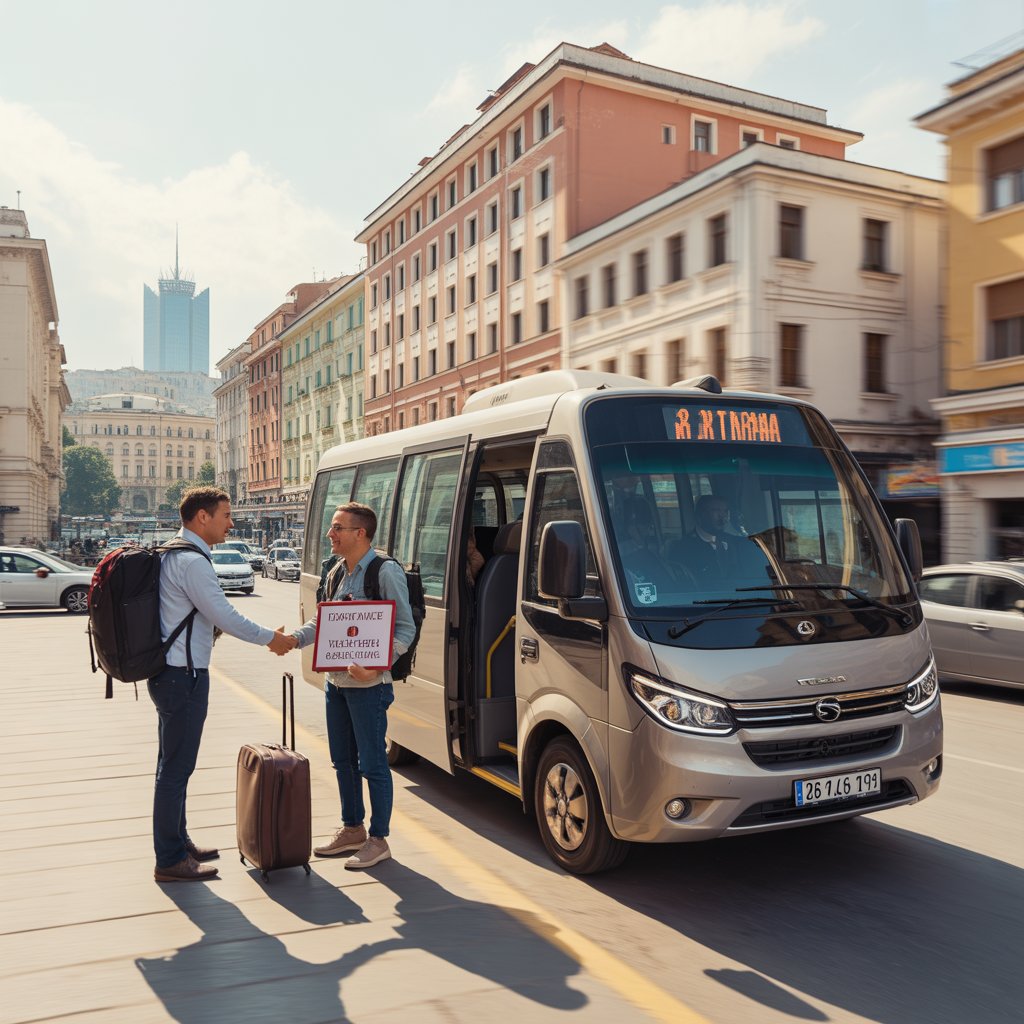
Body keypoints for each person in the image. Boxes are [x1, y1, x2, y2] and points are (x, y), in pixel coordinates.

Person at [149, 486, 296, 883]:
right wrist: (272, 638)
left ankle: (178, 843)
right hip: (184, 675)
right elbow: (225, 615)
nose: (231, 523)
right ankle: (169, 858)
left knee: (173, 764)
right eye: (226, 515)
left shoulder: (175, 552)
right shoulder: (192, 562)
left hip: (173, 673)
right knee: (176, 768)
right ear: (202, 518)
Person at [290, 501, 416, 870]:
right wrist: (293, 640)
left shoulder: (384, 572)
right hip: (336, 684)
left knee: (373, 763)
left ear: (360, 533)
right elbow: (323, 621)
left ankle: (379, 839)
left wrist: (378, 667)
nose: (330, 534)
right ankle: (352, 829)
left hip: (369, 687)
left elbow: (405, 628)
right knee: (342, 761)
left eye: (337, 528)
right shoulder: (335, 572)